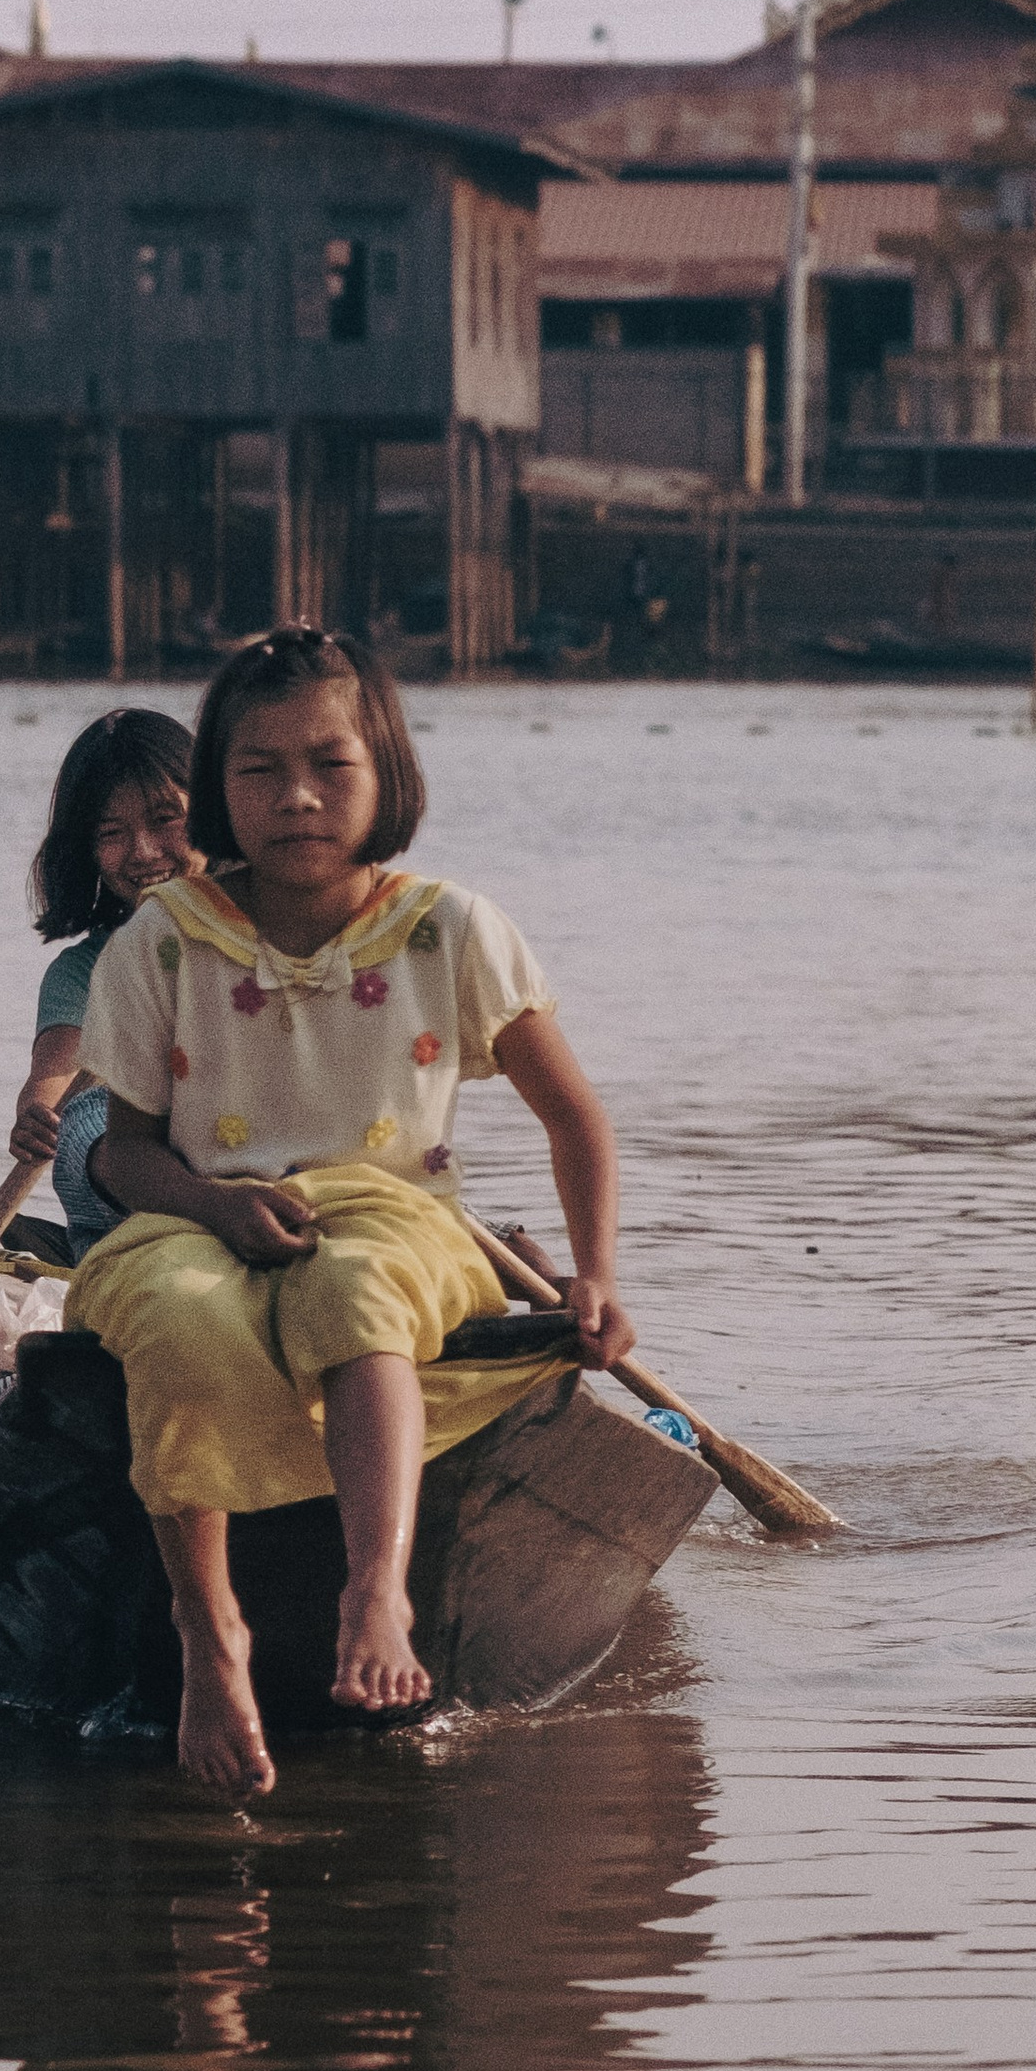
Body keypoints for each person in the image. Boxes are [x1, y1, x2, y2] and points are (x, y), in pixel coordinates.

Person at [68, 624, 634, 1802]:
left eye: (331, 766)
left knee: (353, 1286)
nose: (297, 798)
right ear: (219, 788)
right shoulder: (162, 941)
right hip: (196, 1216)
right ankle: (209, 1632)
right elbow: (124, 1154)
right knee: (176, 1316)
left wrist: (592, 1276)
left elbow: (574, 1117)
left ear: (387, 775)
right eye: (260, 770)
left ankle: (375, 1589)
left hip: (398, 1214)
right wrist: (216, 1207)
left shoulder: (450, 927)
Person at [9, 709, 201, 1254]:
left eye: (165, 819)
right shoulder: (87, 972)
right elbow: (55, 1088)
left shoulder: (272, 937)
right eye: (112, 833)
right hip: (128, 1231)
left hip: (274, 1189)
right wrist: (36, 1120)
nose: (143, 852)